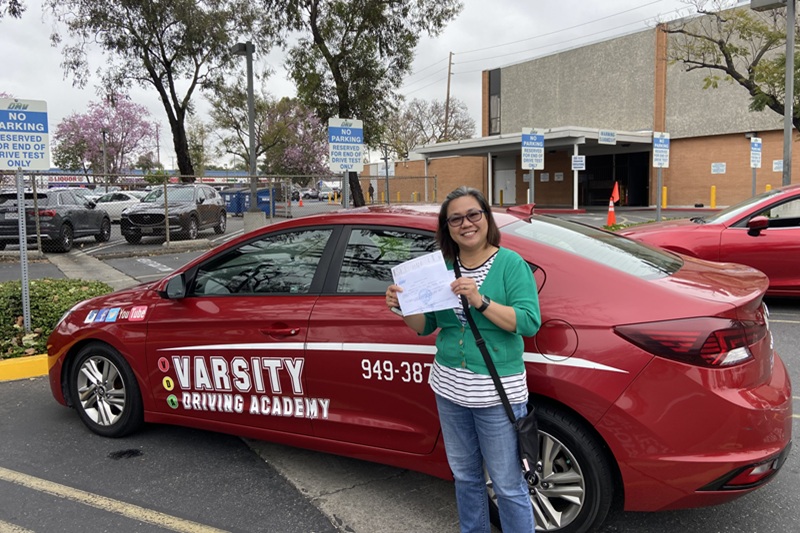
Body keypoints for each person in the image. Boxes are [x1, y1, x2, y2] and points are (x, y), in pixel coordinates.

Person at [385, 186, 540, 532]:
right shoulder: (440, 268)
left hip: (496, 396)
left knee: (507, 484)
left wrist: (480, 300)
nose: (466, 223)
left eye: (473, 214)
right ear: (447, 227)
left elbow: (528, 323)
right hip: (450, 391)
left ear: (486, 218)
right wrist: (402, 307)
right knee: (466, 477)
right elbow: (426, 326)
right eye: (455, 218)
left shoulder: (510, 264)